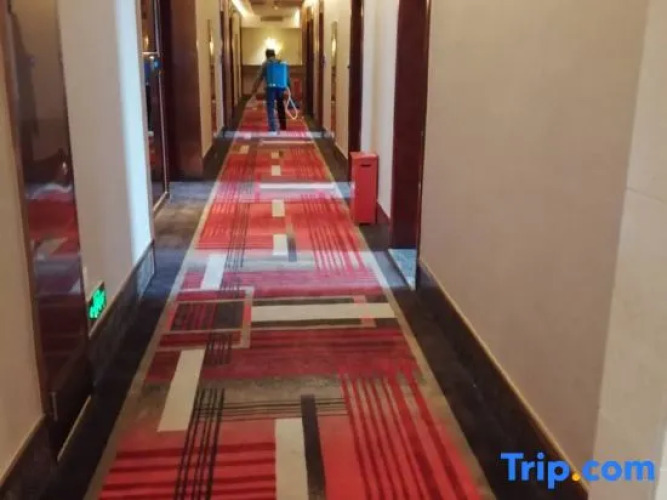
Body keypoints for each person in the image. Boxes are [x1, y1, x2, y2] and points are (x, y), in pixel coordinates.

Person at [251, 49, 291, 132]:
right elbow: (286, 76)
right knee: (280, 105)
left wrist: (254, 88)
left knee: (270, 107)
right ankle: (283, 126)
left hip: (270, 87)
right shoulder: (281, 62)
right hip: (281, 87)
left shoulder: (266, 64)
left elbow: (259, 77)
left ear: (266, 56)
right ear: (274, 55)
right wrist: (289, 87)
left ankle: (272, 128)